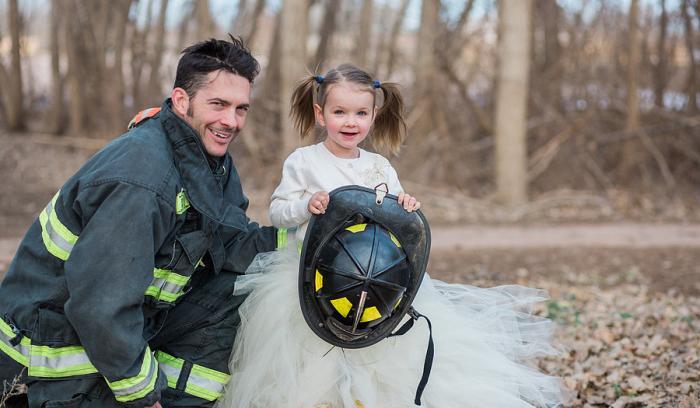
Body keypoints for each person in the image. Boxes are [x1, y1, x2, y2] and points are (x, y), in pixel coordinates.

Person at [215, 64, 569, 408]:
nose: (350, 122)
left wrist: (405, 204)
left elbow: (396, 220)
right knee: (314, 362)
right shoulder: (304, 161)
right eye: (340, 112)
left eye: (360, 113)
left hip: (377, 281)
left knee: (381, 357)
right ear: (321, 115)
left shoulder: (379, 167)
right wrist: (307, 204)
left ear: (373, 116)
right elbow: (277, 212)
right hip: (313, 281)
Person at [0, 37, 285, 408]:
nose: (230, 121)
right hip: (53, 352)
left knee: (245, 286)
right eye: (218, 105)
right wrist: (144, 397)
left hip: (130, 325)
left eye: (240, 108)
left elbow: (231, 241)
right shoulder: (143, 178)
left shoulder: (209, 161)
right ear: (182, 101)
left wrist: (305, 239)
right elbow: (101, 307)